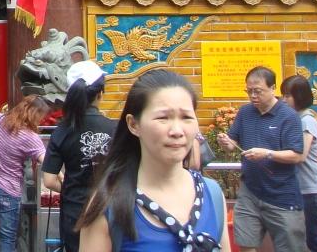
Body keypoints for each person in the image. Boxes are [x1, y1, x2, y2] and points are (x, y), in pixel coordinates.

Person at [78, 69, 230, 252]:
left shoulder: (212, 194)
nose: (177, 131)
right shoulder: (107, 204)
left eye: (186, 117)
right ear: (133, 124)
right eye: (163, 118)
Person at [216, 66, 305, 252]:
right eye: (249, 91)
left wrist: (267, 154)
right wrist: (225, 142)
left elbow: (296, 155)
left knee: (290, 247)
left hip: (282, 194)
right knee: (245, 243)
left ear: (272, 88)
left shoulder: (289, 116)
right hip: (249, 191)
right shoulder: (245, 112)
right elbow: (232, 144)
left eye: (258, 91)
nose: (253, 96)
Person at [40, 60, 116, 252]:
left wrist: (69, 190)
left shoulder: (62, 131)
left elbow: (49, 181)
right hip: (110, 209)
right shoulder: (115, 129)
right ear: (100, 93)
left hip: (74, 211)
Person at [0, 94, 50, 252]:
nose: (41, 121)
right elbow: (47, 162)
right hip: (8, 190)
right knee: (8, 237)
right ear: (34, 114)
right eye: (41, 117)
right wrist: (62, 177)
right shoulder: (31, 137)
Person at [280, 76, 317, 252]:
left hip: (314, 191)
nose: (283, 100)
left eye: (288, 96)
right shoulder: (296, 119)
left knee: (316, 241)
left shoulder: (306, 120)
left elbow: (300, 156)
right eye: (283, 95)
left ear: (300, 96)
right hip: (303, 191)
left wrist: (269, 154)